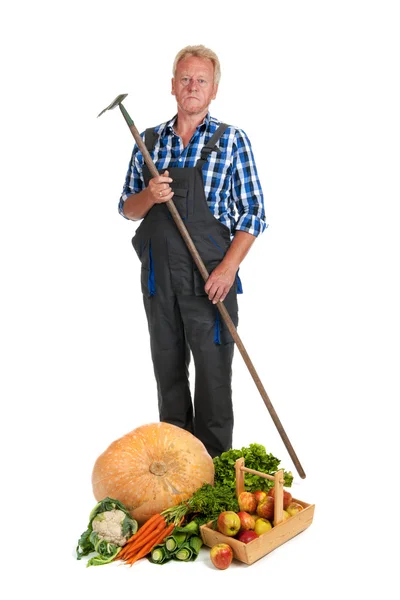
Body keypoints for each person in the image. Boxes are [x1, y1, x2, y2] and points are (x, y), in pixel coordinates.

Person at [118, 44, 266, 458]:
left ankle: (215, 473)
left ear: (214, 90)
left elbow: (254, 214)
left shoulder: (232, 140)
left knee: (214, 380)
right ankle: (178, 474)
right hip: (159, 281)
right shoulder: (149, 141)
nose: (192, 86)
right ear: (172, 85)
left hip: (209, 280)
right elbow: (127, 210)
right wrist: (149, 195)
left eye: (201, 80)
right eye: (185, 78)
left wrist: (228, 270)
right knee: (168, 376)